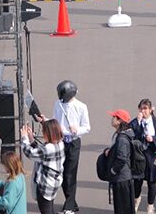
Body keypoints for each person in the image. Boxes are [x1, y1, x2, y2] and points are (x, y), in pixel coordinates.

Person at [53, 80, 89, 213]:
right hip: (61, 141)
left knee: (70, 173)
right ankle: (71, 202)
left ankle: (69, 207)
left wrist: (77, 130)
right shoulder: (58, 104)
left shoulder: (81, 107)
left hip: (73, 142)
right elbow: (55, 121)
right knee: (61, 173)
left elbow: (87, 127)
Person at [128, 100, 156, 214]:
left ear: (150, 110)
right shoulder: (136, 122)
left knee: (151, 182)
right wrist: (138, 122)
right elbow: (130, 133)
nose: (143, 111)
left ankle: (150, 206)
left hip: (151, 155)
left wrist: (153, 139)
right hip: (139, 155)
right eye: (141, 108)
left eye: (145, 108)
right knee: (137, 181)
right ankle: (136, 200)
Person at [20, 119, 65, 214]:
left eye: (44, 131)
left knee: (46, 211)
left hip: (45, 186)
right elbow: (41, 153)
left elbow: (30, 153)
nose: (43, 134)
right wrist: (31, 139)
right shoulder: (60, 144)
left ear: (49, 134)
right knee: (50, 209)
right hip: (53, 184)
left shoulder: (48, 148)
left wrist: (24, 138)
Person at [104, 110, 138, 214]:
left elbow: (122, 158)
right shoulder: (120, 135)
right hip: (123, 178)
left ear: (119, 121)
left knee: (122, 209)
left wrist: (113, 170)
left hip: (121, 178)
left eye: (114, 117)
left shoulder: (122, 139)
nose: (112, 119)